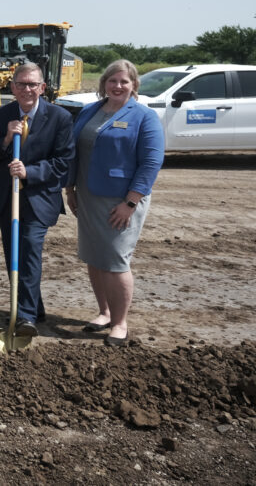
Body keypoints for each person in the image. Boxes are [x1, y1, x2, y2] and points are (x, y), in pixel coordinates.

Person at [64, 60, 164, 346]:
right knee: (94, 256)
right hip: (88, 195)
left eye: (124, 81)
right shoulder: (89, 111)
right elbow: (75, 152)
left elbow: (151, 163)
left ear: (134, 85)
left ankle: (120, 323)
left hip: (121, 201)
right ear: (104, 83)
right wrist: (70, 189)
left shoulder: (144, 117)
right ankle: (105, 312)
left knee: (115, 260)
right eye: (112, 81)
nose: (118, 86)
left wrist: (130, 203)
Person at [0, 62, 74, 337]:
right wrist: (6, 139)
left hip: (39, 197)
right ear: (12, 87)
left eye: (32, 84)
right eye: (21, 84)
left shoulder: (59, 117)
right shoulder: (1, 115)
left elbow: (63, 162)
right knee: (13, 253)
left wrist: (29, 172)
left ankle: (24, 317)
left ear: (42, 87)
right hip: (7, 197)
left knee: (30, 250)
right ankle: (34, 307)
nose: (26, 89)